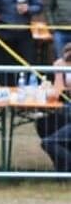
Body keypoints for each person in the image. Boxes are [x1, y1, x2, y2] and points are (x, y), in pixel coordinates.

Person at [36, 42, 71, 172]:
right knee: (42, 123)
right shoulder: (61, 65)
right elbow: (57, 91)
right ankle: (61, 166)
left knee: (48, 143)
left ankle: (66, 167)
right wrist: (59, 71)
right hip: (66, 106)